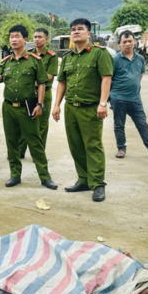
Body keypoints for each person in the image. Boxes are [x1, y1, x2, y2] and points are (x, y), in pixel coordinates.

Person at [0, 25, 57, 190]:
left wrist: (40, 104)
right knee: (11, 142)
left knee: (35, 141)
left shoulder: (35, 61)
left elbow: (42, 83)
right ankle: (15, 175)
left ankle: (45, 176)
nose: (13, 39)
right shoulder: (6, 62)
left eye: (17, 36)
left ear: (25, 40)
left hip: (27, 107)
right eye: (11, 36)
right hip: (9, 107)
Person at [53, 18, 113, 202]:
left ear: (89, 33)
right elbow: (62, 82)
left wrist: (102, 103)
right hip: (71, 108)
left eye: (80, 29)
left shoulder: (99, 54)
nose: (76, 32)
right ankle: (84, 179)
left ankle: (98, 184)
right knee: (76, 145)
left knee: (92, 145)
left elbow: (106, 77)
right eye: (73, 29)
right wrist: (57, 105)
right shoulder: (68, 57)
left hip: (91, 108)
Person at [111, 31, 148, 160]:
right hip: (118, 98)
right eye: (124, 42)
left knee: (142, 124)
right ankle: (121, 148)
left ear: (134, 42)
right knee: (119, 125)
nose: (128, 44)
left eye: (130, 41)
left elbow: (139, 76)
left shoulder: (140, 59)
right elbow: (109, 78)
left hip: (135, 99)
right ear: (120, 44)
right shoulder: (115, 59)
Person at [19, 28, 58, 159]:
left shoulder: (51, 57)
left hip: (44, 95)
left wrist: (32, 81)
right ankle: (20, 151)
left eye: (40, 37)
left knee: (41, 126)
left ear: (46, 39)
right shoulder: (28, 54)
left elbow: (49, 76)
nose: (36, 39)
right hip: (28, 94)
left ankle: (38, 154)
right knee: (25, 123)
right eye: (35, 37)